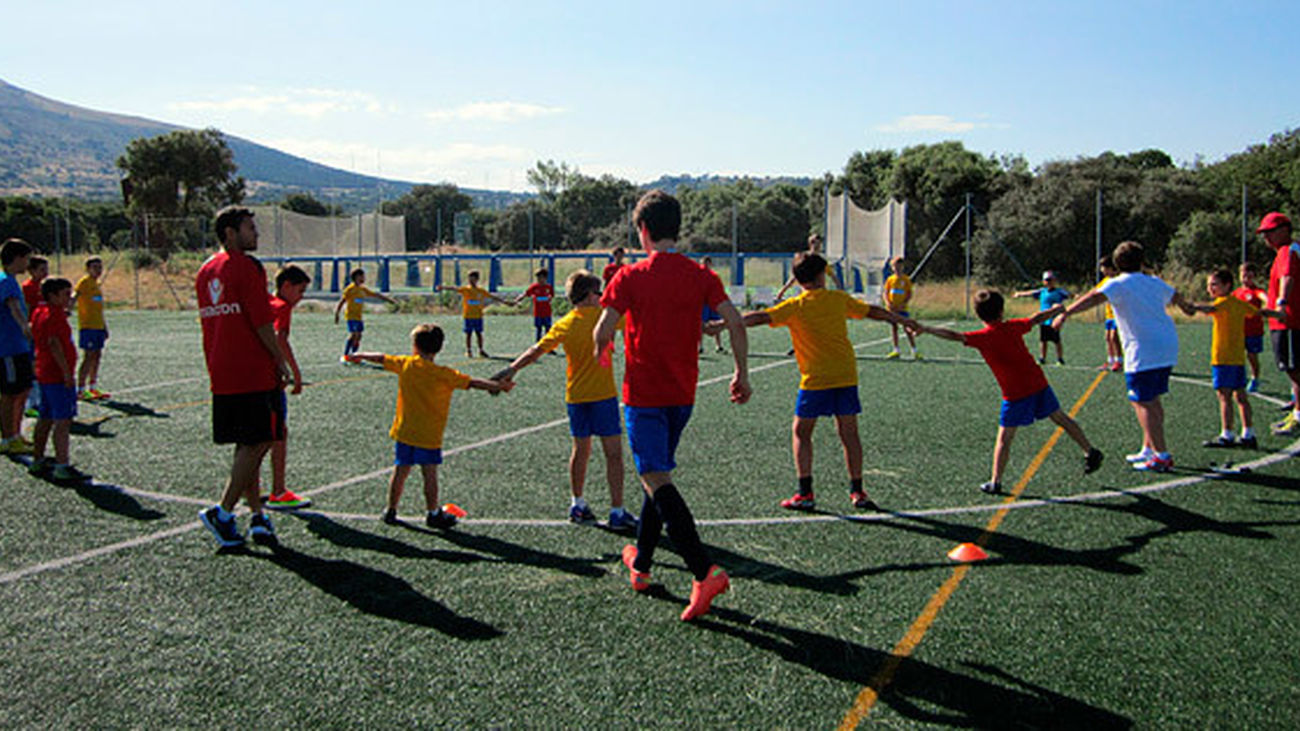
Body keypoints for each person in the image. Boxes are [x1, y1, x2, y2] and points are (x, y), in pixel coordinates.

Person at [594, 189, 751, 622]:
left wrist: (600, 355)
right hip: (683, 394)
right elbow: (735, 323)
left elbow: (602, 331)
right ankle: (641, 564)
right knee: (656, 476)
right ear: (676, 229)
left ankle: (704, 571)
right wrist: (741, 373)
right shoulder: (701, 275)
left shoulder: (628, 276)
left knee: (655, 477)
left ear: (642, 230)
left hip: (643, 395)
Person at [717, 251, 916, 511]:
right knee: (849, 433)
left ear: (798, 279)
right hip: (845, 375)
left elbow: (760, 317)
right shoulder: (838, 299)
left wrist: (723, 324)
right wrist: (903, 320)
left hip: (816, 379)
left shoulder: (795, 306)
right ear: (822, 276)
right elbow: (874, 312)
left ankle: (805, 493)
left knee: (801, 432)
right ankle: (858, 491)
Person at [920, 291, 1103, 493]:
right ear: (1001, 311)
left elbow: (955, 336)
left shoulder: (983, 337)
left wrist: (926, 329)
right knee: (1060, 417)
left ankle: (995, 482)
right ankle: (1090, 450)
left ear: (979, 315)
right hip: (1037, 382)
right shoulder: (1013, 327)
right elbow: (1035, 319)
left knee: (1004, 439)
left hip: (1015, 393)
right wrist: (1056, 310)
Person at [496, 270, 638, 530]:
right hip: (603, 396)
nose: (602, 296)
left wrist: (512, 368)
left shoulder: (566, 323)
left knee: (580, 451)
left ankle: (577, 503)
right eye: (599, 292)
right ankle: (617, 510)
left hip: (576, 397)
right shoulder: (604, 316)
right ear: (590, 295)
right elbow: (637, 318)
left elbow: (536, 350)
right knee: (614, 455)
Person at [1053, 241, 1195, 472]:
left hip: (1143, 349)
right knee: (1151, 399)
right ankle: (1149, 448)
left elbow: (1093, 297)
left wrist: (1065, 314)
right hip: (1166, 345)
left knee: (1143, 401)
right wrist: (1188, 308)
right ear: (1141, 261)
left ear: (1117, 263)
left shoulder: (1118, 283)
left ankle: (1162, 456)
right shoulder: (1153, 281)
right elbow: (1177, 296)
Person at [195, 206, 291, 549]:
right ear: (230, 233)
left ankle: (257, 516)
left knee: (246, 445)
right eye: (250, 228)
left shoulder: (205, 270)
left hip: (221, 369)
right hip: (251, 369)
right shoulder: (247, 266)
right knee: (261, 440)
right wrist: (279, 358)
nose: (257, 233)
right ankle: (223, 512)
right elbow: (261, 321)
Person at [348, 323, 507, 528]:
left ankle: (390, 510)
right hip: (429, 434)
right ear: (439, 348)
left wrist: (361, 355)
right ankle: (433, 513)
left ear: (415, 346)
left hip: (405, 430)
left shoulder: (406, 364)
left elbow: (381, 358)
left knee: (400, 471)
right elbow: (473, 383)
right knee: (429, 474)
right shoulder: (444, 374)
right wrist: (497, 385)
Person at [1186, 269, 1282, 450]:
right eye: (1209, 285)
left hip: (1223, 358)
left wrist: (1193, 307)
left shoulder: (1222, 303)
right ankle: (1248, 433)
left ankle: (1227, 434)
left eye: (1214, 285)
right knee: (1241, 397)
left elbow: (1211, 309)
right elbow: (1259, 312)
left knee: (1224, 397)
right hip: (1238, 358)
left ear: (1227, 285)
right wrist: (1279, 314)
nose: (1210, 289)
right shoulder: (1238, 304)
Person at [27, 277, 90, 482]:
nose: (69, 298)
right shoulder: (53, 315)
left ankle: (38, 460)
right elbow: (54, 344)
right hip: (56, 376)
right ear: (52, 296)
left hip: (45, 373)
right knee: (63, 421)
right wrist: (66, 373)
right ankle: (62, 466)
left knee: (45, 418)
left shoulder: (40, 311)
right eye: (65, 294)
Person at [265, 265, 313, 510]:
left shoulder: (265, 301)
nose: (301, 297)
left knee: (257, 438)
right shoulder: (282, 307)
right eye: (300, 291)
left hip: (253, 378)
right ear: (286, 286)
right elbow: (280, 339)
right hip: (270, 381)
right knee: (279, 436)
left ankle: (248, 486)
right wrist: (295, 372)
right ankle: (278, 491)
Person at [1258, 212, 1300, 436]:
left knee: (1295, 370)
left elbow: (1288, 277)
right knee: (1293, 371)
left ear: (1285, 229)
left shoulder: (1287, 251)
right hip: (1286, 321)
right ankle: (1296, 413)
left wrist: (1281, 304)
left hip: (1290, 321)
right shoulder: (1287, 251)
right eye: (1264, 233)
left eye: (1270, 232)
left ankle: (1298, 417)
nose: (1266, 237)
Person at [0, 238, 34, 455]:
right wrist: (25, 326)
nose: (27, 264)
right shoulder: (6, 282)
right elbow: (13, 307)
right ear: (17, 258)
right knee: (9, 393)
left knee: (22, 389)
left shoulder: (10, 280)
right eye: (26, 259)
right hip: (8, 348)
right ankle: (7, 439)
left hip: (19, 346)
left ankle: (15, 433)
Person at [436, 271, 509, 358]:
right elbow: (454, 288)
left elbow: (493, 297)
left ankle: (481, 350)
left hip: (478, 316)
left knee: (479, 333)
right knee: (468, 334)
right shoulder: (466, 289)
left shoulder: (481, 291)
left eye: (473, 279)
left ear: (477, 279)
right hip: (468, 316)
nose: (471, 281)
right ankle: (468, 350)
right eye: (469, 279)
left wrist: (505, 302)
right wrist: (443, 287)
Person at [334, 268, 396, 362]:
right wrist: (337, 313)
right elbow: (342, 301)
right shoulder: (350, 289)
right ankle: (346, 355)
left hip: (359, 317)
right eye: (362, 276)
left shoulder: (362, 289)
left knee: (359, 336)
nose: (363, 278)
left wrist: (388, 300)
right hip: (351, 316)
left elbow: (375, 295)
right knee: (354, 334)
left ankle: (354, 355)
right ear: (356, 277)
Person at [1014, 270, 1071, 365]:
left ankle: (1060, 359)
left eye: (1051, 280)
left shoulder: (1059, 292)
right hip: (1043, 320)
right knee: (1043, 340)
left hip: (1054, 320)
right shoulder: (1042, 291)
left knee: (1056, 340)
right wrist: (1020, 294)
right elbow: (1031, 293)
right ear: (1044, 281)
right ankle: (1042, 358)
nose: (1049, 282)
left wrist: (1077, 296)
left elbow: (1070, 295)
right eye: (1047, 280)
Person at [74, 256, 110, 401]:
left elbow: (98, 309)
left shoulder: (97, 284)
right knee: (88, 357)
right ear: (88, 269)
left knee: (97, 356)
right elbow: (75, 295)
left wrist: (104, 326)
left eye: (100, 267)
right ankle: (80, 389)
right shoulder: (84, 282)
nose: (98, 270)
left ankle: (93, 387)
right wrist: (67, 307)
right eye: (95, 267)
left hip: (98, 326)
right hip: (87, 326)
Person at [21, 255, 47, 418]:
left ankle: (40, 400)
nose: (45, 272)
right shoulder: (28, 287)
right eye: (41, 269)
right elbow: (26, 309)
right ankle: (31, 403)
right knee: (32, 366)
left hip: (44, 332)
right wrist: (27, 328)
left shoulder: (45, 287)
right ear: (31, 271)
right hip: (33, 332)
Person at [1234, 261, 1267, 393]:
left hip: (1254, 331)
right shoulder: (1236, 293)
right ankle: (1240, 378)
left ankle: (1255, 378)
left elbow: (1266, 299)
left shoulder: (1256, 291)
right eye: (1243, 276)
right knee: (1237, 356)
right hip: (1238, 331)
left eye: (1249, 276)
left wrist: (1269, 306)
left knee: (1252, 356)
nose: (1246, 279)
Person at [882, 256, 920, 360]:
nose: (897, 268)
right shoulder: (890, 279)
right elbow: (886, 293)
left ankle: (914, 350)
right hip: (892, 309)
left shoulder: (905, 279)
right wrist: (888, 303)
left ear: (902, 267)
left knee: (907, 328)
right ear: (892, 267)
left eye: (899, 266)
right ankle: (896, 350)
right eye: (895, 266)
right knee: (894, 328)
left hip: (902, 309)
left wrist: (903, 303)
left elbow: (909, 293)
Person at [513, 268, 555, 343]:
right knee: (539, 329)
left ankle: (548, 345)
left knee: (548, 329)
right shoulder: (534, 287)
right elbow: (526, 294)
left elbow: (551, 296)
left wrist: (549, 298)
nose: (539, 280)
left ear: (545, 278)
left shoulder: (548, 287)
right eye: (538, 278)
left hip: (547, 312)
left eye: (541, 278)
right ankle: (538, 344)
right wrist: (517, 299)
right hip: (538, 313)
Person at [1098, 256, 1123, 372]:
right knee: (1108, 337)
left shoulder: (1118, 281)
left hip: (1117, 315)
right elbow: (1096, 292)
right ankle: (1110, 360)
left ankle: (1119, 360)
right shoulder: (1105, 281)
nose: (1102, 270)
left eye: (1104, 268)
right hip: (1109, 315)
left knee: (1114, 337)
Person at [700, 256, 726, 353]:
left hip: (712, 303)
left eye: (708, 263)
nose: (706, 266)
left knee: (716, 324)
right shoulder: (699, 276)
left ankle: (718, 345)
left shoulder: (714, 276)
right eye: (704, 263)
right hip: (703, 304)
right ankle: (700, 346)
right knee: (701, 325)